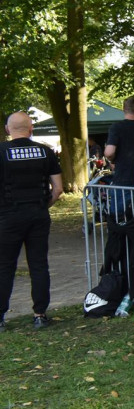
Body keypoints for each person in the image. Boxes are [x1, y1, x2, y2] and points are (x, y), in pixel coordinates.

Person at [0, 112, 63, 330]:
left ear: (8, 130)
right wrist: (43, 206)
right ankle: (40, 314)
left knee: (5, 266)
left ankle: (1, 317)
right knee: (38, 265)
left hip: (8, 217)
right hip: (38, 215)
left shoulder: (1, 152)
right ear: (31, 129)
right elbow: (58, 188)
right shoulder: (45, 151)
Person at [104, 97, 134, 214]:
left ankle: (120, 232)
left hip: (123, 177)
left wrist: (112, 160)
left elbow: (109, 152)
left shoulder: (117, 127)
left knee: (119, 216)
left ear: (123, 109)